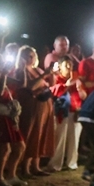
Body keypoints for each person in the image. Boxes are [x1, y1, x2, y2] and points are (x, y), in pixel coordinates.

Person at [13, 45, 55, 178]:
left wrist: (51, 74)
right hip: (31, 106)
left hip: (44, 105)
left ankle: (36, 166)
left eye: (32, 55)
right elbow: (30, 87)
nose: (30, 58)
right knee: (31, 134)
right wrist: (44, 75)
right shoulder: (21, 71)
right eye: (27, 55)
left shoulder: (37, 69)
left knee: (41, 134)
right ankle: (25, 169)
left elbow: (49, 84)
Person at [0, 52, 26, 186]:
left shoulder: (4, 76)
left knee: (20, 146)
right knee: (4, 148)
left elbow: (21, 84)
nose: (1, 64)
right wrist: (4, 74)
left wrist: (22, 69)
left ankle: (11, 175)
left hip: (8, 115)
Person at [47, 55, 84, 172]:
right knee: (60, 138)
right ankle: (56, 163)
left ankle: (72, 162)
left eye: (71, 65)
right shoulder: (56, 78)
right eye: (66, 66)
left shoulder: (77, 78)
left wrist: (80, 89)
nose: (69, 68)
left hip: (75, 110)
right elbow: (53, 91)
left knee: (74, 137)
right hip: (61, 112)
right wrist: (66, 85)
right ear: (61, 67)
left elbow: (83, 95)